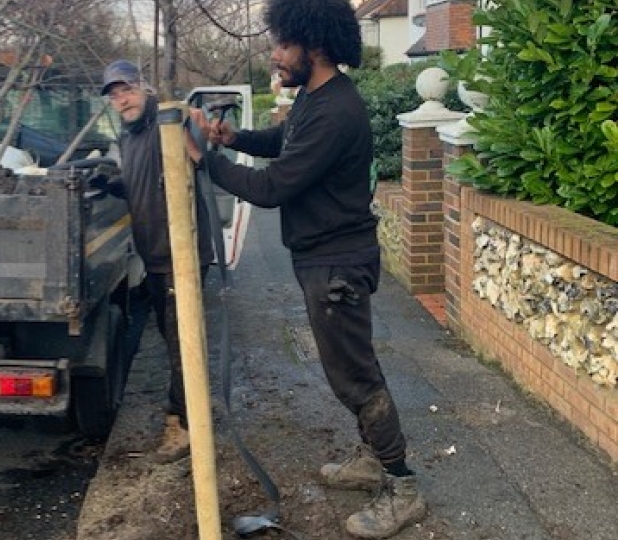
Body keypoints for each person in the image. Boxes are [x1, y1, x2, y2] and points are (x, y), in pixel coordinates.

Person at [185, 0, 426, 537]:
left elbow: (272, 187)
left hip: (337, 263)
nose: (274, 55)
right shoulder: (316, 99)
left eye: (280, 43)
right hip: (324, 256)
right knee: (348, 370)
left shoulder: (338, 110)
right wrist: (234, 139)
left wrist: (208, 161)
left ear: (311, 43)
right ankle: (371, 459)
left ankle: (402, 486)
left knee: (355, 376)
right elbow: (282, 143)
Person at [100, 59, 214, 463]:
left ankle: (185, 427)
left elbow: (199, 148)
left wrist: (191, 124)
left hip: (182, 256)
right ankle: (191, 410)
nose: (121, 100)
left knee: (184, 343)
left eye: (126, 90)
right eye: (114, 95)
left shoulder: (168, 124)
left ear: (143, 87)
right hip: (156, 257)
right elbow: (140, 185)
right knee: (175, 340)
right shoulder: (129, 137)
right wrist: (110, 184)